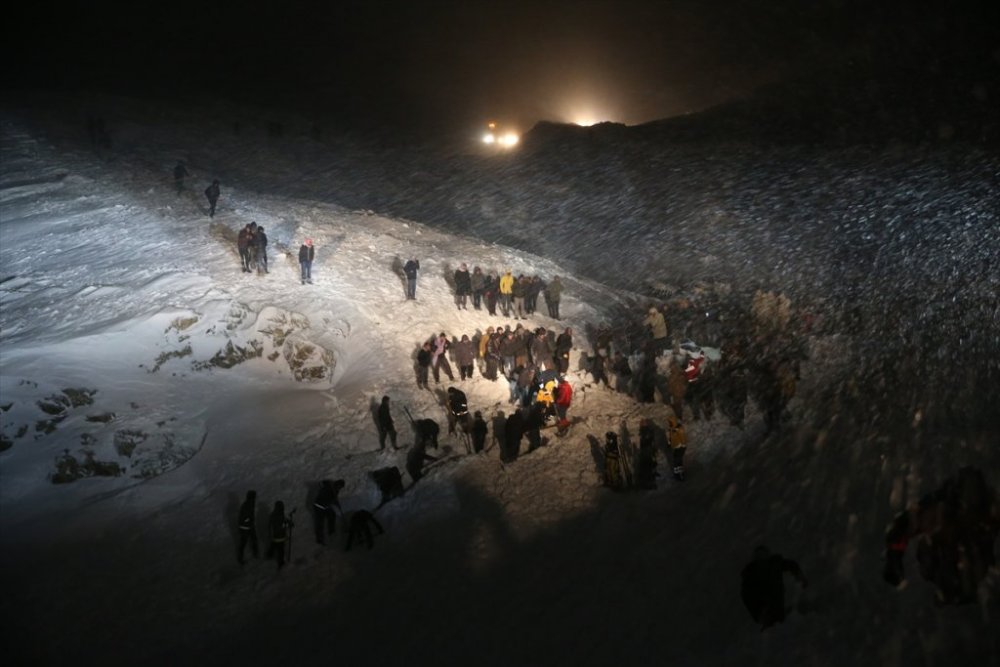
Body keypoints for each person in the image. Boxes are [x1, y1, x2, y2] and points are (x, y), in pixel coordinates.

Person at [741, 546, 807, 629]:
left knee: (785, 620)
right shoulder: (751, 574)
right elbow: (746, 596)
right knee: (776, 624)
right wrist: (758, 613)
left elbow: (791, 564)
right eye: (759, 556)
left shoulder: (774, 563)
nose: (762, 558)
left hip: (776, 604)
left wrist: (799, 575)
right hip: (765, 609)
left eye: (763, 555)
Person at [312, 479, 344, 544]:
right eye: (339, 486)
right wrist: (330, 501)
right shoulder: (328, 487)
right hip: (319, 506)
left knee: (332, 515)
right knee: (320, 523)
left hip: (325, 507)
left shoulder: (336, 491)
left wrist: (337, 504)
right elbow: (322, 483)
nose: (339, 488)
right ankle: (320, 539)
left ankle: (331, 531)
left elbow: (334, 499)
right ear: (337, 484)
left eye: (340, 487)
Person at [267, 501, 294, 569]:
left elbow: (283, 520)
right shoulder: (278, 515)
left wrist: (288, 522)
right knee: (280, 550)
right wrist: (288, 525)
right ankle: (280, 563)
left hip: (276, 536)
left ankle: (270, 555)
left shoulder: (275, 514)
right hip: (279, 536)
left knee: (275, 546)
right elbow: (280, 525)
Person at [237, 490, 258, 564]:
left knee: (254, 540)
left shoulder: (251, 503)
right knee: (243, 543)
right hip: (245, 528)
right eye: (254, 497)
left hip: (250, 526)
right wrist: (248, 520)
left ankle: (256, 554)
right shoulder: (246, 505)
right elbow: (243, 518)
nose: (255, 498)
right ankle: (240, 558)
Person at [637, 419, 658, 490]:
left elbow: (650, 441)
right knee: (648, 467)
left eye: (642, 423)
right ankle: (650, 483)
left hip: (647, 452)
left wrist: (653, 450)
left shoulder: (646, 432)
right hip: (646, 452)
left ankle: (651, 483)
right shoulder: (644, 431)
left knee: (648, 467)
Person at [667, 414, 687, 481]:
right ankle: (678, 474)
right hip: (676, 447)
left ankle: (680, 475)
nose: (669, 423)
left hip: (680, 447)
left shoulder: (678, 428)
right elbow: (671, 437)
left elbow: (682, 436)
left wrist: (683, 445)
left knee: (677, 461)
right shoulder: (671, 429)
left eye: (670, 422)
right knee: (677, 461)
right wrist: (669, 443)